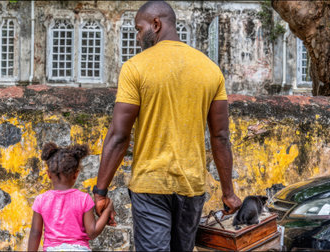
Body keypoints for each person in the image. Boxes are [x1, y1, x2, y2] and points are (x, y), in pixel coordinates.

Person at [93, 0, 242, 250]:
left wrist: (100, 191)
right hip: (191, 188)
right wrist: (228, 192)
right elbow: (221, 137)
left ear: (156, 24)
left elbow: (119, 136)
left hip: (150, 185)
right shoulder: (210, 69)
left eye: (139, 29)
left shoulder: (135, 68)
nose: (138, 36)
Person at [27, 142, 114, 251]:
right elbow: (92, 232)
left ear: (48, 174)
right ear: (76, 174)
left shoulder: (41, 200)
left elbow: (35, 232)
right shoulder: (84, 199)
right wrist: (108, 208)